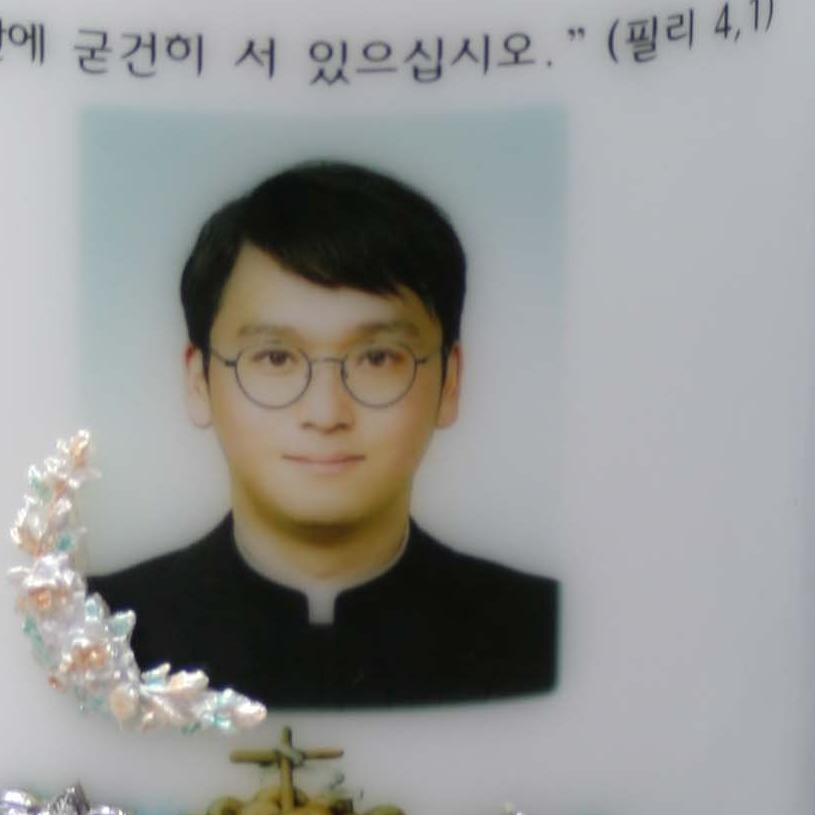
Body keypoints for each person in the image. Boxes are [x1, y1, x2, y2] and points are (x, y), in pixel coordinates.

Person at [92, 159, 559, 710]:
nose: (325, 412)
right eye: (275, 358)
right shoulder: (100, 632)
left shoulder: (539, 629)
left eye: (378, 358)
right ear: (199, 381)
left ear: (450, 382)